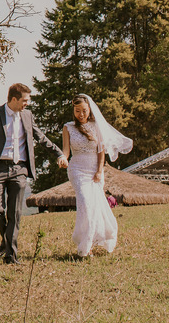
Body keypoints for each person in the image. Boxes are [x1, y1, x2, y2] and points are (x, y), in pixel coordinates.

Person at [0, 83, 62, 265]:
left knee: (15, 213)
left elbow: (40, 137)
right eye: (25, 100)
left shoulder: (27, 115)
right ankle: (6, 241)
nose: (27, 104)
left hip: (19, 169)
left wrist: (58, 153)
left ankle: (11, 256)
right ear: (14, 99)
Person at [59, 94, 133, 258]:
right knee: (85, 202)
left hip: (94, 169)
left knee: (95, 206)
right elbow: (66, 150)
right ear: (74, 111)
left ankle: (93, 240)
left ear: (89, 110)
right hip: (77, 169)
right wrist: (63, 158)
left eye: (84, 110)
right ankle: (85, 246)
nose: (81, 114)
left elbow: (101, 151)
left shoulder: (96, 126)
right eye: (77, 111)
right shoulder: (68, 127)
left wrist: (99, 171)